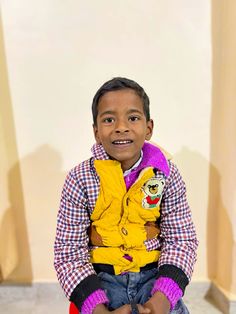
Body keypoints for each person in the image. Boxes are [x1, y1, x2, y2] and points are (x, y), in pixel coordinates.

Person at [54, 77, 198, 314]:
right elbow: (68, 252)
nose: (121, 126)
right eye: (109, 119)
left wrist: (161, 301)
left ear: (148, 128)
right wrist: (97, 308)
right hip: (100, 283)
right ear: (97, 132)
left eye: (133, 118)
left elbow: (181, 240)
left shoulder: (166, 174)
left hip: (155, 280)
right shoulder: (79, 179)